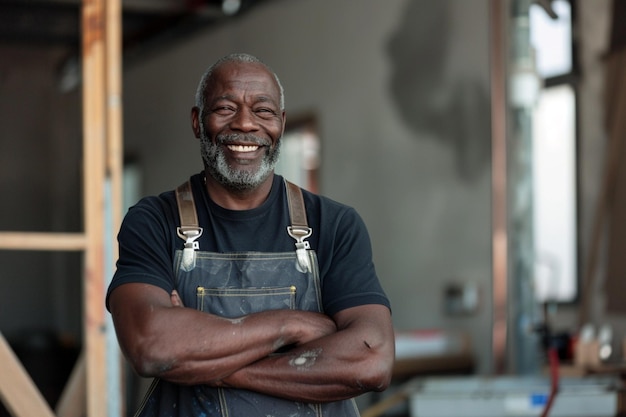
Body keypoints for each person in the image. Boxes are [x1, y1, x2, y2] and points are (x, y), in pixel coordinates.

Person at [106, 52, 395, 417]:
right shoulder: (153, 221)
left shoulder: (334, 224)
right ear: (197, 121)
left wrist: (207, 365)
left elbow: (371, 359)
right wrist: (292, 324)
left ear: (281, 124)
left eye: (263, 111)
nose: (245, 124)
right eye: (226, 108)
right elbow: (152, 345)